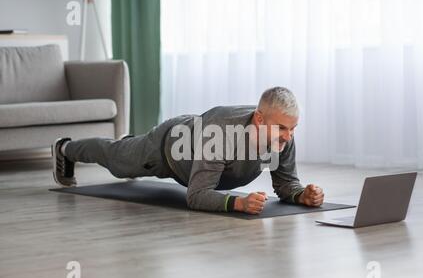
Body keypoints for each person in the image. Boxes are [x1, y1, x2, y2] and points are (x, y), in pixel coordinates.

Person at [52, 87, 324, 214]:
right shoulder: (220, 135)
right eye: (283, 129)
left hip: (195, 141)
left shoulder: (282, 136)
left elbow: (287, 184)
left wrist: (303, 196)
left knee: (123, 152)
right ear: (259, 119)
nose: (289, 137)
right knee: (116, 160)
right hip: (164, 151)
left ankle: (129, 143)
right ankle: (65, 148)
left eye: (293, 128)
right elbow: (196, 196)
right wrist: (238, 203)